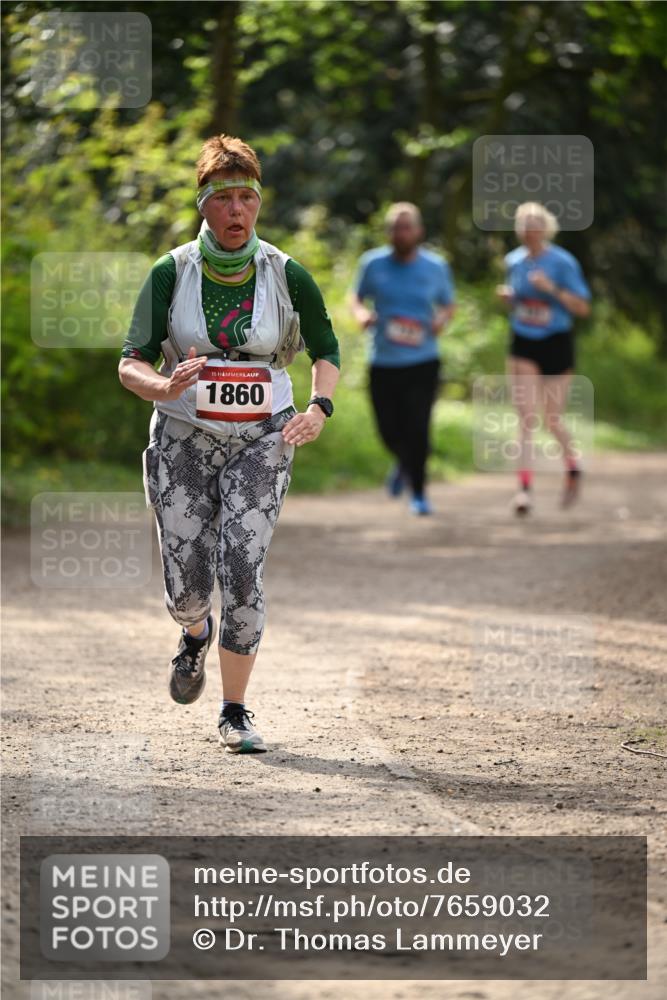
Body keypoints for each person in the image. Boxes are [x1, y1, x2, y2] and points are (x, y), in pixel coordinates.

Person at [118, 134, 340, 753]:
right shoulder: (171, 271)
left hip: (264, 437)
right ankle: (193, 634)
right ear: (204, 204)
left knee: (243, 567)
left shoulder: (286, 272)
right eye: (226, 199)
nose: (238, 211)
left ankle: (235, 710)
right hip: (185, 435)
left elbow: (328, 351)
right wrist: (163, 384)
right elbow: (129, 362)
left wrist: (320, 406)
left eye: (248, 197)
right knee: (187, 584)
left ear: (259, 204)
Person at [350, 203, 455, 516]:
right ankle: (404, 461)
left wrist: (441, 321)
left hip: (423, 361)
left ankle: (419, 493)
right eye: (395, 226)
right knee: (388, 429)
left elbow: (449, 304)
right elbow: (356, 296)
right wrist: (361, 314)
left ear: (419, 231)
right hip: (383, 360)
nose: (401, 232)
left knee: (418, 427)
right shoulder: (372, 263)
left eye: (406, 226)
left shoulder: (436, 267)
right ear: (388, 232)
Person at [496, 202, 591, 516]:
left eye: (534, 224)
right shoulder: (513, 261)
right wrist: (510, 299)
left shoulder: (563, 262)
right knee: (525, 419)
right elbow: (519, 301)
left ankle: (573, 467)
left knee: (551, 419)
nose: (528, 230)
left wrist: (552, 289)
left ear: (546, 228)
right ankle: (523, 491)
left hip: (556, 343)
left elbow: (582, 308)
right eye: (523, 224)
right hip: (523, 341)